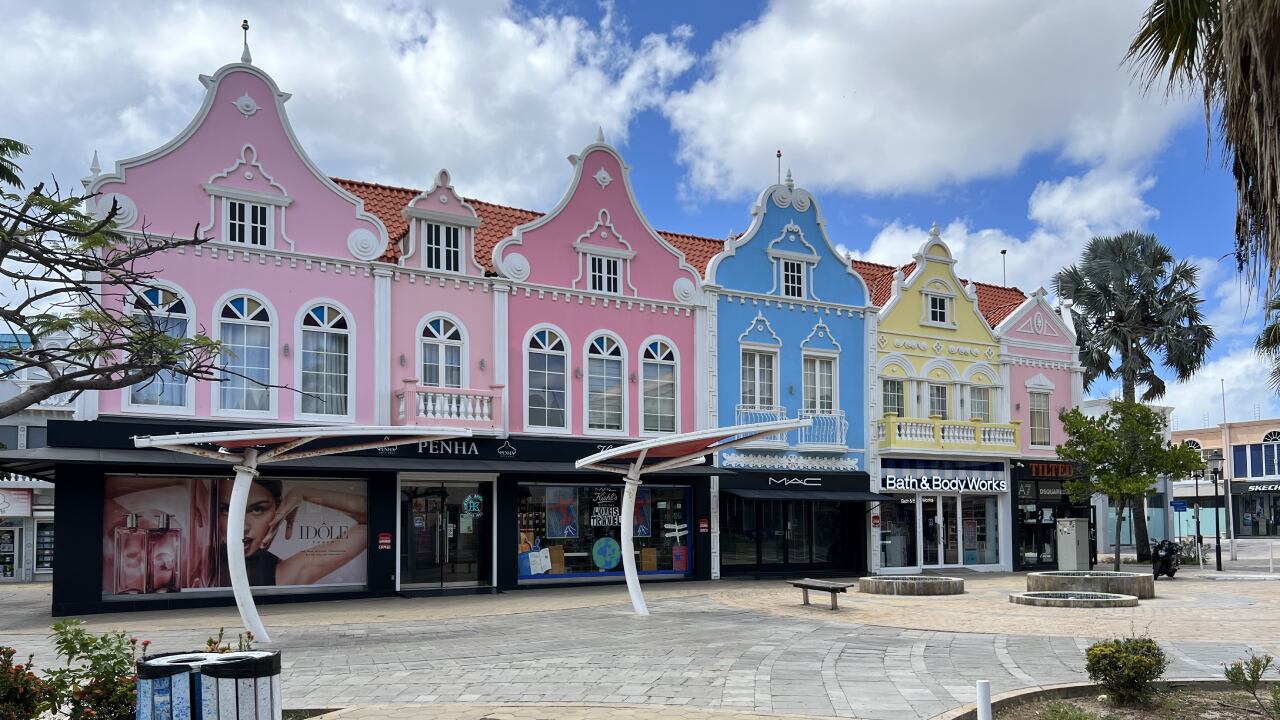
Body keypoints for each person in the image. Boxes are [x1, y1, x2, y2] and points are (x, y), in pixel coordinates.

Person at [217, 478, 366, 587]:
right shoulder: (198, 552)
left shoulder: (283, 574)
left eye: (257, 509)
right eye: (227, 510)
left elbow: (374, 515)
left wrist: (303, 493)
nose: (242, 526)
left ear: (277, 511)